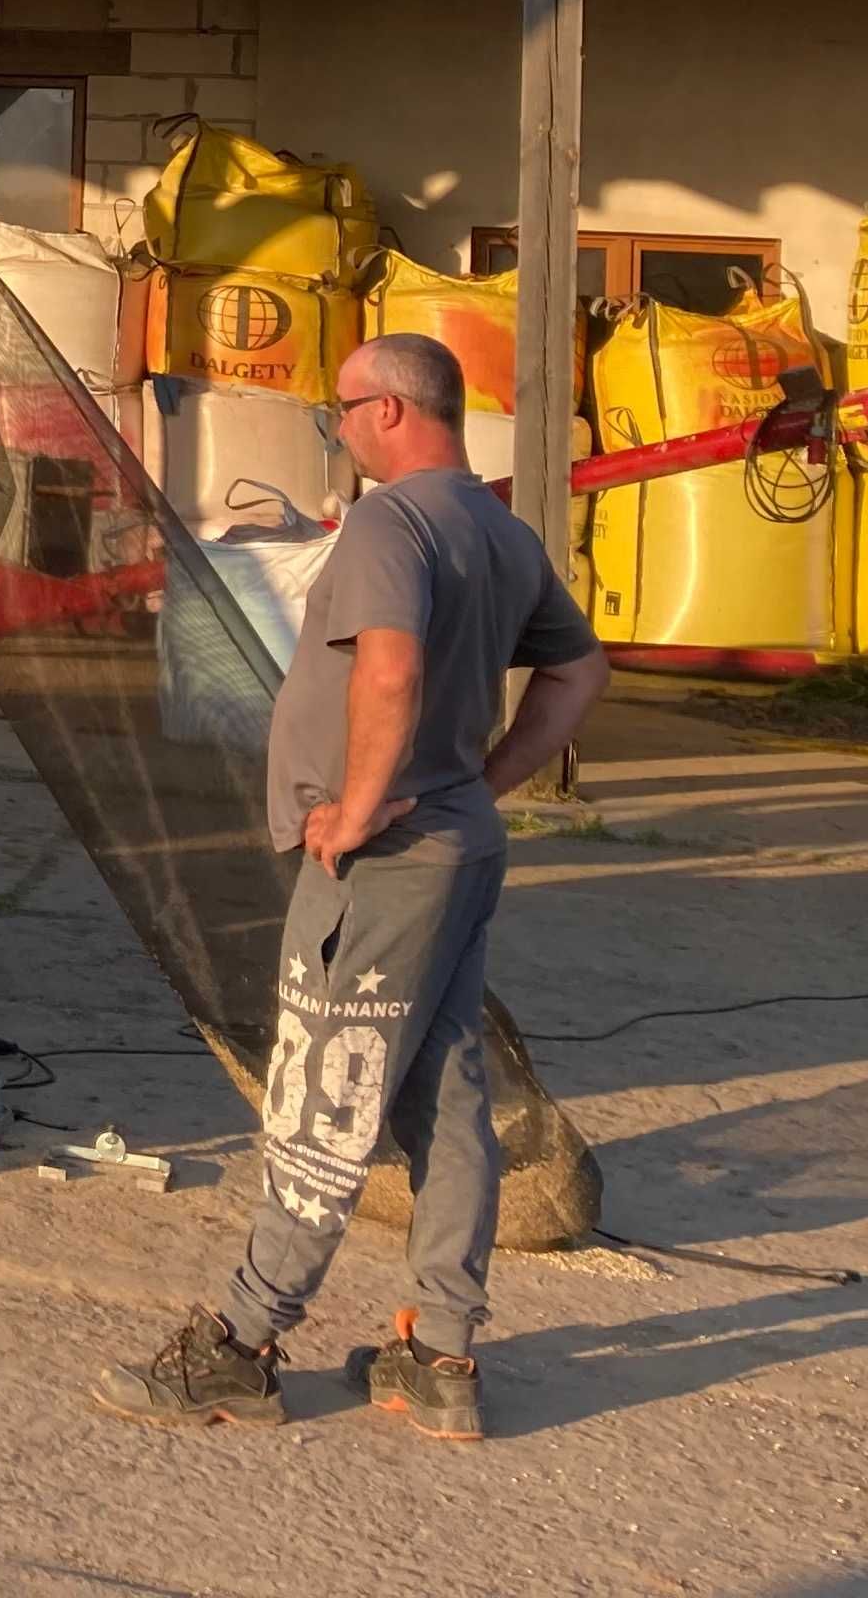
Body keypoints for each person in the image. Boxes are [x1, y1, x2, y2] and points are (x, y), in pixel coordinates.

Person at [95, 330, 610, 1443]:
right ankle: (442, 1357)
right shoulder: (500, 530)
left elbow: (389, 664)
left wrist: (367, 799)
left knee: (325, 1092)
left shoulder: (396, 520)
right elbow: (577, 669)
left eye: (338, 411)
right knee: (450, 1096)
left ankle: (239, 1343)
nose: (333, 431)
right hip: (460, 849)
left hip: (386, 865)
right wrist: (491, 776)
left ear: (390, 411)